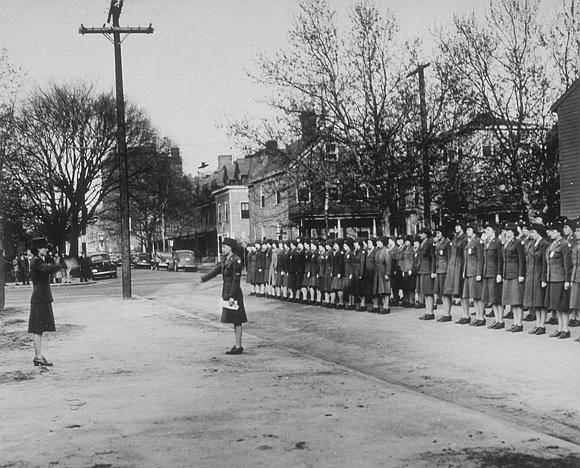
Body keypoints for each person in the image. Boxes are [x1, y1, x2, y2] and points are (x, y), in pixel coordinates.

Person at [200, 238, 247, 355]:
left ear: (230, 247)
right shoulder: (226, 260)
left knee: (237, 320)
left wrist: (232, 296)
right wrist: (202, 279)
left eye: (224, 247)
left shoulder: (236, 260)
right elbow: (216, 271)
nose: (222, 249)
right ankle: (237, 345)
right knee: (234, 320)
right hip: (227, 293)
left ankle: (238, 346)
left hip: (234, 294)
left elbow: (236, 280)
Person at [29, 239, 62, 366]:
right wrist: (58, 264)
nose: (46, 249)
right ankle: (38, 357)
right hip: (40, 297)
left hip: (41, 297)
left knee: (39, 328)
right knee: (37, 328)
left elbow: (47, 267)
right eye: (43, 247)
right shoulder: (37, 261)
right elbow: (48, 269)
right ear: (38, 249)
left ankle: (39, 356)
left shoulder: (37, 260)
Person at [544, 222, 572, 339]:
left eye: (553, 230)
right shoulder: (553, 244)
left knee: (563, 305)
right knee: (556, 305)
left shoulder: (564, 244)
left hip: (560, 278)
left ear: (558, 232)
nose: (551, 233)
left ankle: (566, 329)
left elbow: (567, 264)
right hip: (552, 278)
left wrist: (567, 280)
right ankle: (560, 328)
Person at [458, 223, 485, 326]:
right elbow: (466, 259)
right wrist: (464, 271)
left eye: (469, 229)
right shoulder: (468, 242)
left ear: (474, 230)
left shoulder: (478, 241)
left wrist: (479, 272)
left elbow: (480, 259)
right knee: (473, 296)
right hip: (469, 272)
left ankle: (480, 317)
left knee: (478, 295)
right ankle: (477, 317)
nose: (467, 231)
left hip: (475, 272)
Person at [525, 223, 549, 335]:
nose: (531, 234)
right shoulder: (532, 243)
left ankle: (542, 325)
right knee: (535, 301)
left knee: (541, 302)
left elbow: (545, 262)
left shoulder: (544, 244)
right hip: (532, 274)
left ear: (538, 232)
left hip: (539, 273)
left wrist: (544, 278)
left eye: (532, 232)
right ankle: (538, 324)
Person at [501, 223, 526, 332]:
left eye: (508, 230)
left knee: (517, 300)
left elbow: (521, 260)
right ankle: (515, 323)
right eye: (506, 230)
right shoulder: (506, 242)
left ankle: (519, 323)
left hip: (515, 273)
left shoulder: (517, 242)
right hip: (507, 273)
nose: (506, 232)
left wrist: (521, 274)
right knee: (512, 299)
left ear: (513, 231)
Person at [481, 223, 504, 329]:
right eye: (486, 229)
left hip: (494, 272)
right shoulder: (486, 242)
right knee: (492, 297)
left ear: (494, 231)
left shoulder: (497, 242)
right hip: (487, 272)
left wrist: (499, 273)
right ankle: (496, 319)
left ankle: (501, 320)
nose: (486, 231)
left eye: (489, 229)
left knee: (497, 297)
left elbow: (500, 259)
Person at [442, 222, 467, 322]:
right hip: (452, 266)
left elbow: (465, 255)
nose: (456, 227)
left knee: (461, 291)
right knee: (447, 290)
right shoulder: (454, 238)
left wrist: (464, 269)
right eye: (455, 226)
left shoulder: (464, 239)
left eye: (458, 226)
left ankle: (466, 315)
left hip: (459, 265)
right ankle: (446, 314)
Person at [416, 228, 436, 320]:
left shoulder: (429, 243)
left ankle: (430, 312)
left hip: (427, 269)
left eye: (422, 233)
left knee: (429, 292)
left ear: (426, 234)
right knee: (424, 292)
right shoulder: (423, 243)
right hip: (422, 269)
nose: (420, 235)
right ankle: (427, 311)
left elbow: (433, 258)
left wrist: (433, 271)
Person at [433, 227, 451, 320]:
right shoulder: (438, 243)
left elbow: (449, 257)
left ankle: (447, 314)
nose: (437, 235)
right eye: (436, 233)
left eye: (439, 233)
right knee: (441, 292)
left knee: (446, 292)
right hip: (439, 269)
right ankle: (445, 312)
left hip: (445, 270)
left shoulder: (447, 243)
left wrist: (449, 270)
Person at [373, 236, 392, 314]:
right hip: (378, 273)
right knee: (382, 290)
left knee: (386, 290)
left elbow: (388, 263)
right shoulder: (378, 251)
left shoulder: (386, 251)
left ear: (383, 242)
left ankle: (386, 307)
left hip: (384, 272)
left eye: (379, 242)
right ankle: (384, 306)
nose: (377, 243)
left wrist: (388, 273)